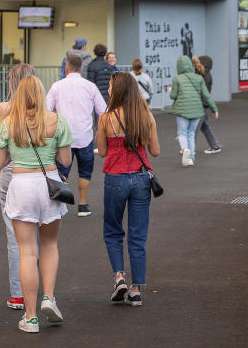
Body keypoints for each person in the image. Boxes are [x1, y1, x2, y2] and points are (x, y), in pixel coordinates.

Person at [0, 76, 72, 333]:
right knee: (49, 244)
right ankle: (49, 297)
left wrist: (16, 153)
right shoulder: (56, 121)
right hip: (49, 182)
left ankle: (31, 316)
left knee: (27, 251)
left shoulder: (7, 124)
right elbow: (65, 158)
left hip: (21, 184)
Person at [95, 72, 161, 307]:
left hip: (115, 178)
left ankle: (119, 277)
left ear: (119, 89)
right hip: (141, 179)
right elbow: (155, 151)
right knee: (138, 235)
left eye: (111, 86)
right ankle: (136, 289)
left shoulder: (106, 118)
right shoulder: (146, 116)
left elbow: (101, 152)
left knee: (113, 231)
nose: (109, 90)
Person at [0, 63, 36, 311]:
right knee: (38, 236)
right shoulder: (44, 111)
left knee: (14, 234)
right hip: (38, 173)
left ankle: (18, 294)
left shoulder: (3, 109)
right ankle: (42, 292)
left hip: (11, 172)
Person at [46, 53, 106, 217]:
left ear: (67, 67)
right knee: (85, 172)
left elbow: (46, 109)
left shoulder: (57, 86)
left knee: (61, 171)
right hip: (85, 136)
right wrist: (100, 133)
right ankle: (83, 204)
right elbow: (103, 111)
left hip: (63, 137)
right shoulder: (90, 86)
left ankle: (59, 205)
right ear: (80, 68)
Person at [168, 55, 218, 167]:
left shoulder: (177, 78)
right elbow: (206, 95)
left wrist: (171, 91)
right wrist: (214, 108)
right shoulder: (200, 77)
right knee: (191, 133)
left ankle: (185, 149)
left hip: (184, 109)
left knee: (182, 132)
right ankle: (190, 157)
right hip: (198, 109)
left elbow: (173, 96)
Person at [196, 55, 222, 154]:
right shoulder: (203, 75)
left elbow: (204, 93)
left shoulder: (205, 76)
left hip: (201, 104)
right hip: (203, 104)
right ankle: (215, 146)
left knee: (195, 127)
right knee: (204, 126)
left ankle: (188, 149)